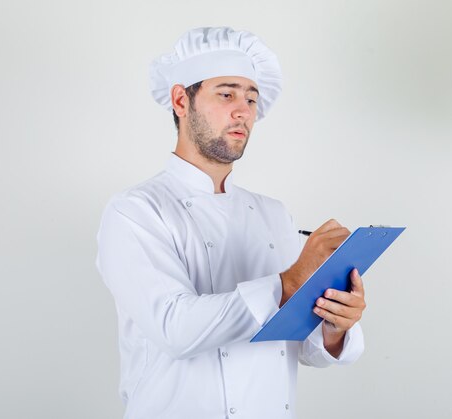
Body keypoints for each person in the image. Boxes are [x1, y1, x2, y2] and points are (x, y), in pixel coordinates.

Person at [96, 27, 366, 419]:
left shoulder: (274, 214)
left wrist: (335, 323)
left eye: (251, 98)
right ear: (180, 100)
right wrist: (289, 282)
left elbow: (301, 345)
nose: (243, 110)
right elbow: (176, 328)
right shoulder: (136, 210)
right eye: (227, 94)